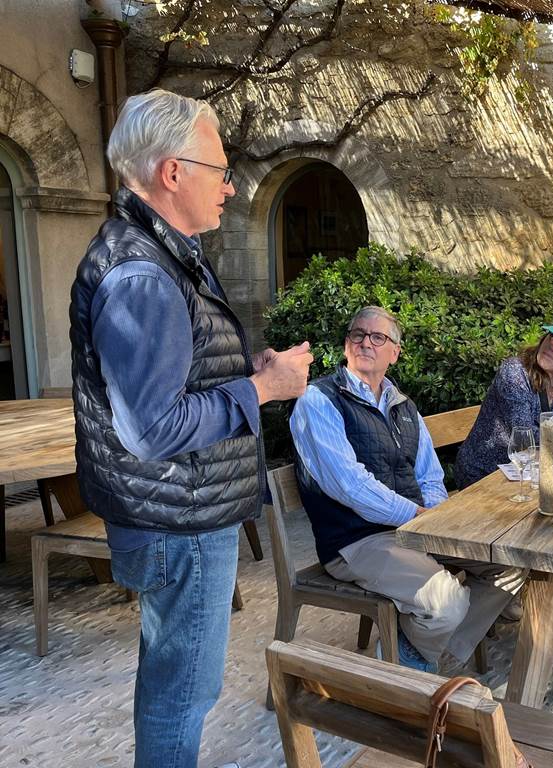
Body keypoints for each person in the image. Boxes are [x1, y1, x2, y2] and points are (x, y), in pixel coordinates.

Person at [70, 89, 313, 768]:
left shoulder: (161, 254)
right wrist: (262, 387)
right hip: (180, 520)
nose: (231, 188)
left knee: (175, 685)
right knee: (182, 693)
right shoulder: (143, 272)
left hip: (182, 507)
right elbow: (152, 428)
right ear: (171, 172)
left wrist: (248, 370)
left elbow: (178, 381)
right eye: (220, 169)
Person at [290, 306, 525, 672]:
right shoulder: (318, 401)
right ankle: (418, 659)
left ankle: (422, 653)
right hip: (357, 540)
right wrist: (417, 516)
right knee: (446, 604)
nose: (366, 342)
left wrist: (436, 521)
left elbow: (430, 476)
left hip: (413, 528)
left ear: (394, 353)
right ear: (345, 345)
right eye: (358, 335)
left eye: (378, 337)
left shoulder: (403, 407)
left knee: (512, 562)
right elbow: (350, 485)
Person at [454, 314, 553, 489]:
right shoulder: (514, 373)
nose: (552, 344)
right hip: (486, 474)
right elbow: (525, 437)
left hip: (533, 477)